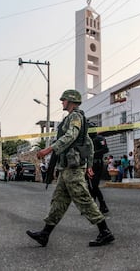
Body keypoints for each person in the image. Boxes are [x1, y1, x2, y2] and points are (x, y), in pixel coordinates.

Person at [26, 89, 114, 247]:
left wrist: (49, 149)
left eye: (64, 99)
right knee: (58, 201)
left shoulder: (75, 117)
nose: (62, 102)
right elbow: (88, 143)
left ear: (71, 101)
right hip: (67, 167)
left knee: (83, 199)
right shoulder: (76, 117)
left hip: (73, 169)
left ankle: (105, 232)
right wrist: (88, 164)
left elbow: (71, 136)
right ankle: (45, 234)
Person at [86, 122, 109, 214]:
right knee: (90, 186)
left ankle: (103, 205)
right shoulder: (87, 140)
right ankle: (93, 206)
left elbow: (105, 149)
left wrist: (94, 153)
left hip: (97, 164)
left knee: (94, 186)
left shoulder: (99, 138)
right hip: (89, 165)